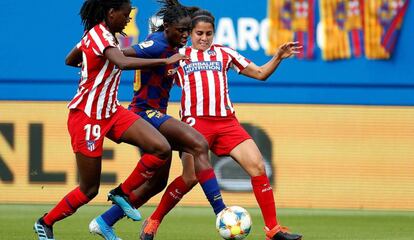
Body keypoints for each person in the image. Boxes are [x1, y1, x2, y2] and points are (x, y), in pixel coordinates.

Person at [33, 0, 189, 239]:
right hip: (87, 117)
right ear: (110, 12)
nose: (128, 19)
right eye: (125, 14)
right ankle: (45, 222)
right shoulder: (100, 35)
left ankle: (122, 193)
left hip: (112, 112)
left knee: (161, 148)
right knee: (89, 189)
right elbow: (123, 62)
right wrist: (163, 61)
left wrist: (91, 64)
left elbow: (70, 59)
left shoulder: (102, 37)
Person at [142, 9, 303, 240]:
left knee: (258, 167)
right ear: (190, 33)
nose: (204, 38)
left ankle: (273, 229)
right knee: (190, 177)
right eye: (199, 33)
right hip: (195, 125)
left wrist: (277, 57)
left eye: (209, 33)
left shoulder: (224, 53)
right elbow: (155, 76)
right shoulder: (179, 55)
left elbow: (260, 73)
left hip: (227, 123)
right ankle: (154, 220)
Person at [87, 2, 228, 240]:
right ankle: (222, 212)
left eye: (188, 30)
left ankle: (104, 221)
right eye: (183, 30)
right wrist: (91, 59)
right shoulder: (157, 44)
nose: (186, 35)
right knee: (198, 143)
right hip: (144, 112)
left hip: (155, 113)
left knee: (157, 183)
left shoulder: (171, 43)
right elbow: (121, 56)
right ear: (168, 27)